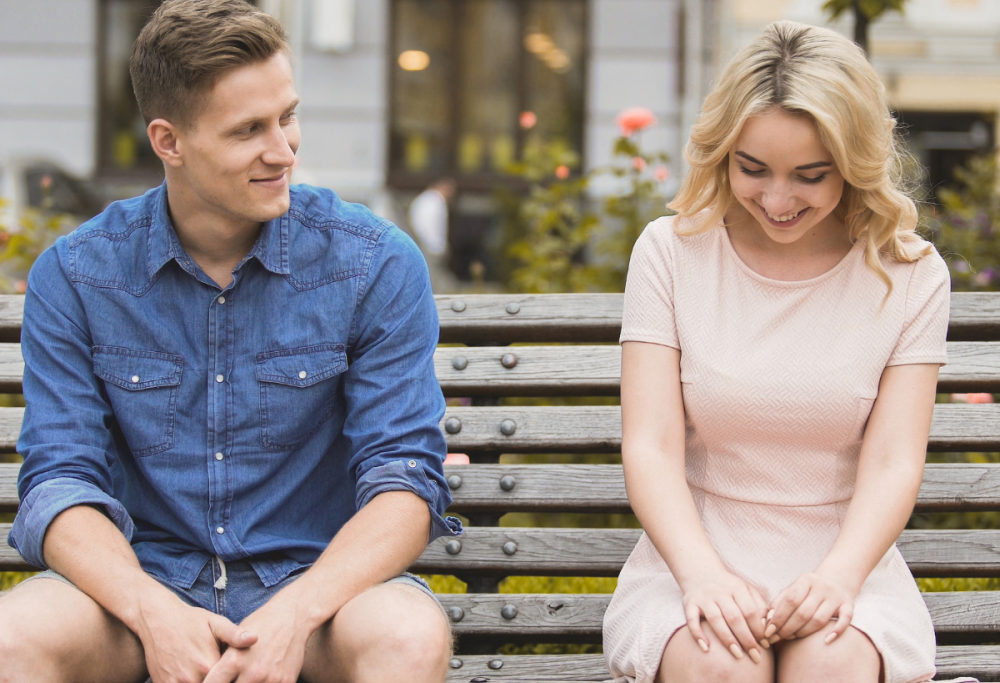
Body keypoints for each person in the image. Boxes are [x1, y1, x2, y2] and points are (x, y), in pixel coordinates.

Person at [0, 1, 460, 682]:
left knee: (409, 637)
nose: (283, 150)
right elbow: (60, 480)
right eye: (248, 130)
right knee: (11, 639)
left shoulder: (373, 263)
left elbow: (405, 477)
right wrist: (151, 610)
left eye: (287, 116)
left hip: (319, 590)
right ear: (169, 141)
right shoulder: (77, 276)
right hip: (140, 588)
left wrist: (298, 611)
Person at [602, 21, 958, 683]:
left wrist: (839, 578)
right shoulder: (670, 253)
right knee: (721, 666)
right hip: (690, 561)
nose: (776, 199)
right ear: (723, 152)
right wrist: (702, 576)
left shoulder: (910, 274)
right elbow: (650, 446)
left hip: (848, 565)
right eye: (752, 168)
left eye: (809, 176)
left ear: (853, 162)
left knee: (832, 666)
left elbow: (892, 460)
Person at [408, 179, 459, 293]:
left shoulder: (425, 200)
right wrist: (437, 247)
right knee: (438, 283)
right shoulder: (434, 201)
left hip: (427, 247)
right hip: (430, 248)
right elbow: (430, 227)